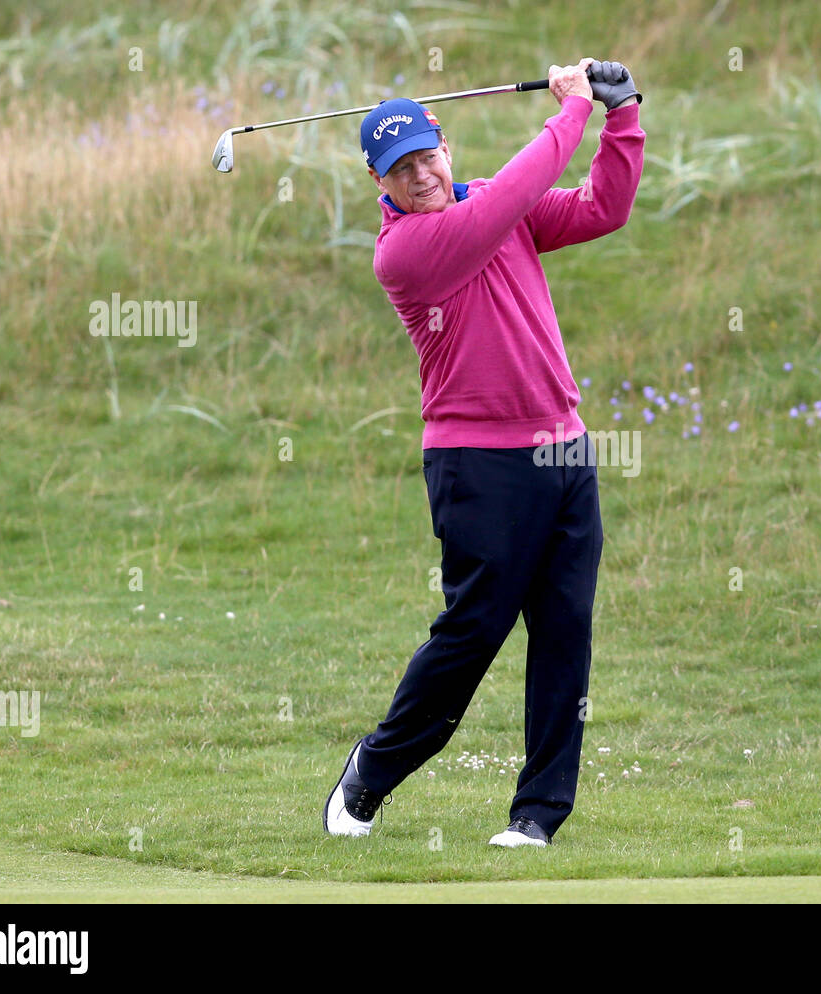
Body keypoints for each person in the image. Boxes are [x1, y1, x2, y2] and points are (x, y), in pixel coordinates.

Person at [324, 58, 645, 847]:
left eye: (428, 156)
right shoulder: (406, 251)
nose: (421, 174)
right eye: (401, 168)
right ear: (380, 181)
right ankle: (372, 770)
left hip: (562, 452)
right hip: (478, 463)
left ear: (447, 146)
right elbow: (510, 195)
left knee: (566, 631)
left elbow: (605, 208)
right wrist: (569, 112)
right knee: (473, 633)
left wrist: (623, 114)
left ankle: (537, 816)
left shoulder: (493, 210)